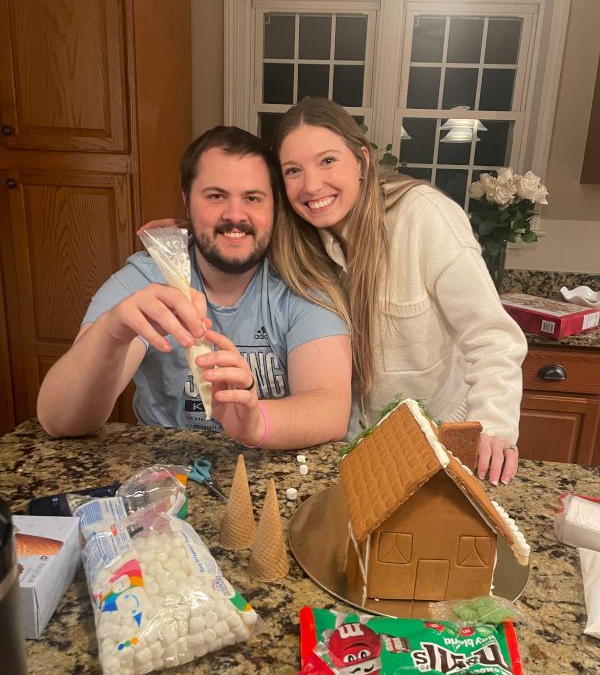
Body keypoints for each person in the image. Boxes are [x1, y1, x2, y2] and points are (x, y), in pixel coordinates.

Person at [37, 126, 352, 449]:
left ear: (274, 208)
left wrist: (255, 423)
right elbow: (60, 421)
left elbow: (330, 410)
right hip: (164, 481)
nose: (234, 215)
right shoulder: (146, 280)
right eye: (216, 196)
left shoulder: (301, 285)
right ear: (187, 202)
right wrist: (112, 332)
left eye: (253, 198)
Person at [269, 97, 528, 485]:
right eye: (293, 170)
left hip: (440, 444)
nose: (311, 185)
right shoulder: (299, 245)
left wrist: (493, 427)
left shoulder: (423, 217)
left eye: (327, 161)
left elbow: (492, 337)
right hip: (356, 445)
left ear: (362, 160)